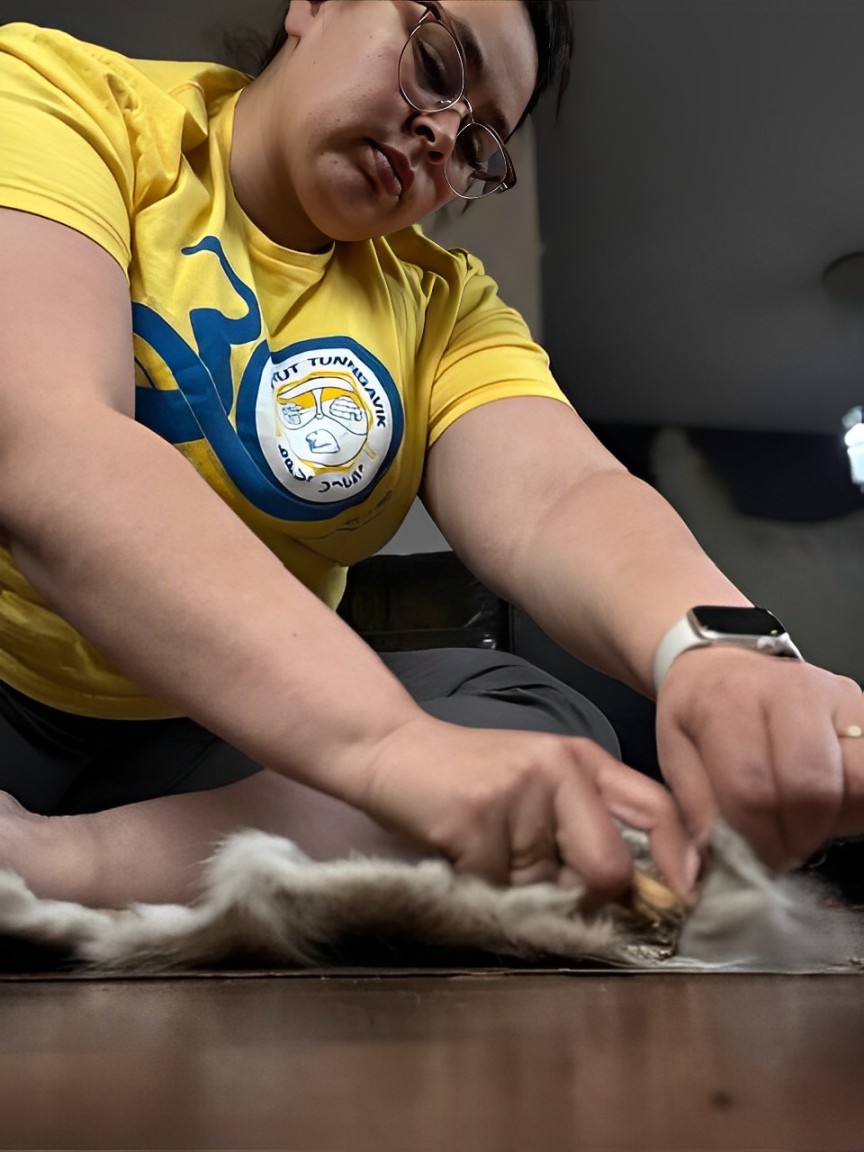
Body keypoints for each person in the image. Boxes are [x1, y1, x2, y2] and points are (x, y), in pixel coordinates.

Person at [0, 0, 861, 914]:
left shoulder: (440, 305)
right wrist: (387, 748)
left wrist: (717, 651)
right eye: (438, 61)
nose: (441, 134)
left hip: (202, 748)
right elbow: (45, 434)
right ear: (314, 7)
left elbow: (563, 494)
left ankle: (57, 867)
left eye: (482, 140)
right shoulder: (66, 97)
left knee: (545, 739)